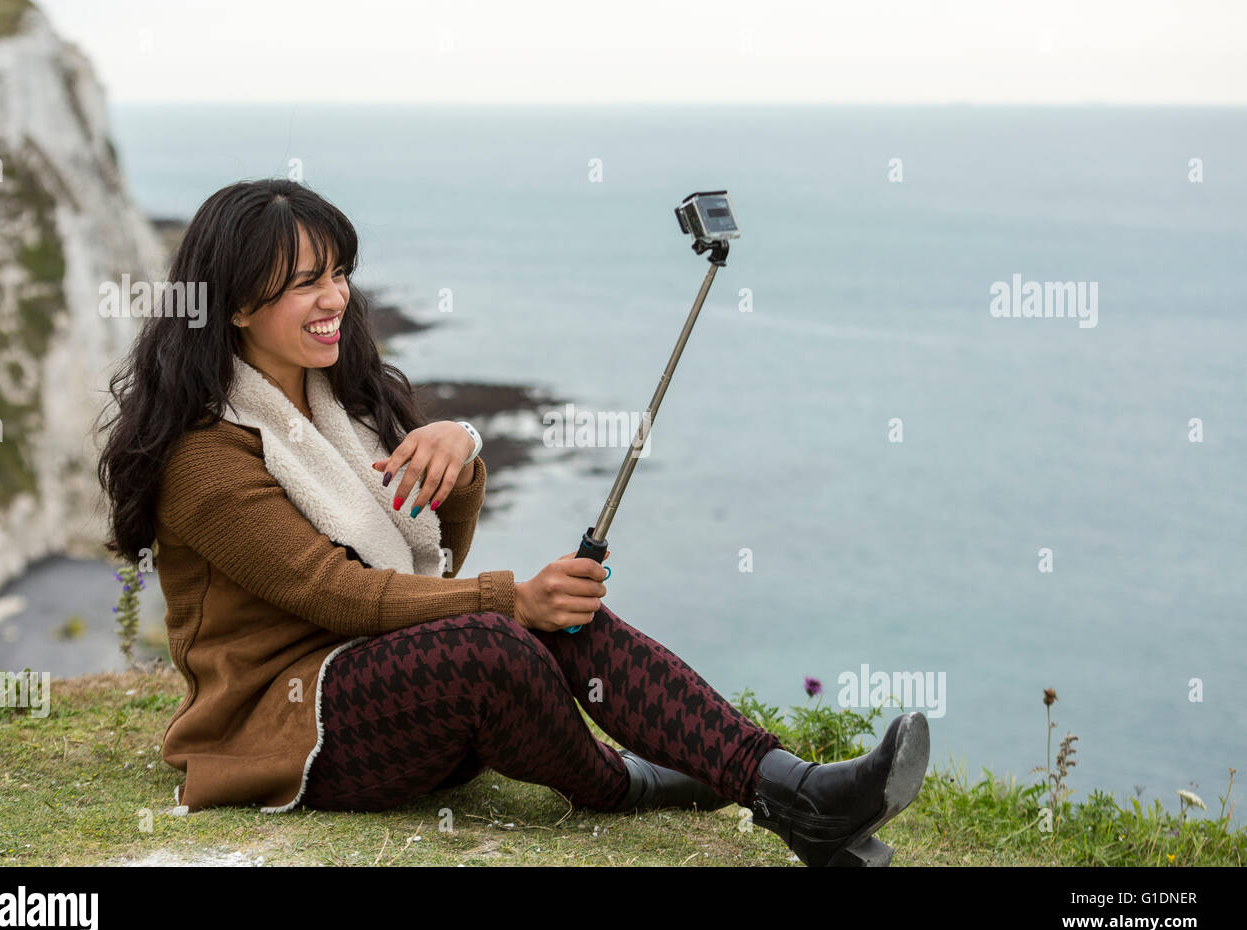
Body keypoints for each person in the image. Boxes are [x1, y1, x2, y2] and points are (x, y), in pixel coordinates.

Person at [95, 178, 930, 867]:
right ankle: (625, 783)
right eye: (306, 281)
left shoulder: (338, 408)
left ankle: (797, 793)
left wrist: (459, 448)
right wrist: (509, 599)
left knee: (570, 617)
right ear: (237, 305)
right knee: (501, 637)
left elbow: (435, 557)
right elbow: (338, 597)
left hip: (388, 701)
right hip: (286, 730)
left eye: (341, 273)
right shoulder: (205, 454)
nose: (336, 299)